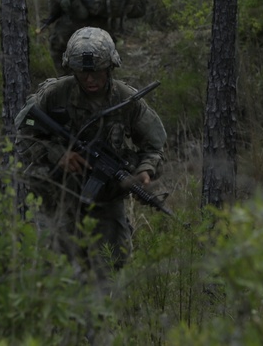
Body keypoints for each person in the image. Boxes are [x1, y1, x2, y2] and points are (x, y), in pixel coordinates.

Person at [14, 26, 167, 277]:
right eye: (82, 73)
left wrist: (144, 172)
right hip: (57, 196)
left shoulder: (126, 100)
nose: (90, 79)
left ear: (110, 67)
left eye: (96, 72)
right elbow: (23, 136)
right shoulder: (54, 95)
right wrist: (58, 154)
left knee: (112, 266)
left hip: (106, 198)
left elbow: (156, 146)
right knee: (53, 270)